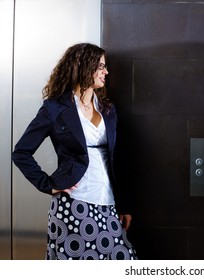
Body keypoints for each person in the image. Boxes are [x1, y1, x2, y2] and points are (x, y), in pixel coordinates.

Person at [12, 43, 137, 260]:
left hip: (108, 203)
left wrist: (124, 204)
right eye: (100, 66)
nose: (106, 72)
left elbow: (118, 160)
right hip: (73, 205)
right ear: (83, 67)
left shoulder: (107, 109)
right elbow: (21, 152)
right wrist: (48, 185)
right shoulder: (55, 109)